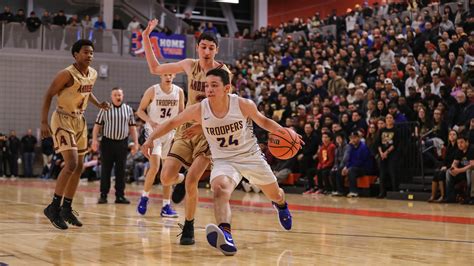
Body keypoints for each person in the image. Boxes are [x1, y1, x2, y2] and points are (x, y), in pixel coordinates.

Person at [141, 68, 301, 256]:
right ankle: (226, 235)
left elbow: (264, 122)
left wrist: (285, 132)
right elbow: (172, 123)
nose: (209, 89)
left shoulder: (242, 104)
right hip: (224, 160)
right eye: (207, 85)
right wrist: (150, 138)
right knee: (219, 190)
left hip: (250, 157)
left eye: (214, 85)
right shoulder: (200, 109)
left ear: (227, 88)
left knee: (275, 194)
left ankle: (281, 205)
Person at [140, 19, 231, 245]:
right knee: (166, 177)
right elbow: (155, 69)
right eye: (203, 47)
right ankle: (178, 181)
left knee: (193, 180)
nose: (207, 51)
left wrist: (203, 126)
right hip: (186, 128)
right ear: (197, 48)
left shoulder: (223, 72)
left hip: (209, 130)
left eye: (211, 47)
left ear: (216, 50)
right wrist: (145, 38)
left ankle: (189, 225)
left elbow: (227, 107)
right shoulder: (190, 65)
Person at [41, 39, 110, 230]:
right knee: (70, 163)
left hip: (79, 121)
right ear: (75, 55)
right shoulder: (66, 74)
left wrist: (99, 105)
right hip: (62, 118)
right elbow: (48, 94)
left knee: (79, 166)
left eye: (92, 53)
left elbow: (87, 93)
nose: (90, 56)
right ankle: (53, 208)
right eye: (86, 52)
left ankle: (67, 208)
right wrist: (43, 122)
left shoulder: (93, 74)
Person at [135, 74, 184, 217]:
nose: (168, 77)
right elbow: (140, 110)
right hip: (153, 133)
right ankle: (144, 197)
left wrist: (180, 132)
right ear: (161, 75)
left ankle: (166, 206)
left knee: (167, 172)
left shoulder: (179, 92)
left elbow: (181, 113)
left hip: (170, 134)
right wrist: (150, 121)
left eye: (170, 74)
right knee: (155, 166)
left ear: (174, 75)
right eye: (165, 74)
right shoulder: (153, 90)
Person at [92, 87, 139, 204]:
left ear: (122, 96)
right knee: (105, 170)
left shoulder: (128, 109)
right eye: (115, 95)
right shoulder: (105, 109)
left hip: (122, 143)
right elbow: (97, 126)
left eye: (119, 95)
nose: (118, 97)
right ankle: (103, 195)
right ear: (111, 97)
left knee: (121, 170)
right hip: (107, 143)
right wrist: (94, 140)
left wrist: (136, 143)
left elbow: (132, 128)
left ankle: (120, 196)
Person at [446, 134, 474, 204]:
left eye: (461, 142)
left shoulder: (471, 149)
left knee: (469, 171)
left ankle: (470, 196)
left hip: (470, 171)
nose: (459, 145)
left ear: (467, 142)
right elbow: (454, 164)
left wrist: (458, 170)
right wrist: (453, 169)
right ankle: (450, 197)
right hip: (462, 172)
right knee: (448, 172)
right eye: (458, 143)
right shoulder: (459, 151)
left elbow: (472, 165)